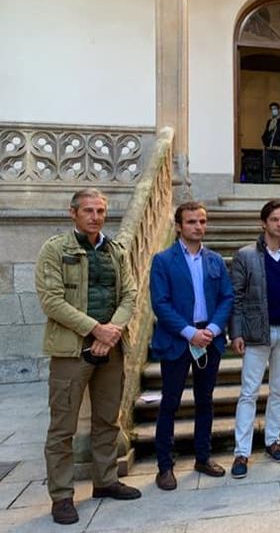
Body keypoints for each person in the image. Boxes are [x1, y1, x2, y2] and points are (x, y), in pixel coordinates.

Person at [35, 188, 141, 525]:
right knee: (62, 428)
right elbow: (51, 301)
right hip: (71, 350)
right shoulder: (55, 250)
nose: (96, 216)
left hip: (110, 347)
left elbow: (130, 293)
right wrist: (96, 329)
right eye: (89, 211)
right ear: (73, 213)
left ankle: (105, 480)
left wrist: (112, 332)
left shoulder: (116, 250)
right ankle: (62, 495)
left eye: (101, 210)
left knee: (107, 420)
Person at [150, 202, 235, 490]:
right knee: (170, 402)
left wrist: (211, 329)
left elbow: (227, 297)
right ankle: (164, 466)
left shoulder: (215, 260)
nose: (198, 227)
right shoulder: (163, 260)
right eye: (191, 222)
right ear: (178, 226)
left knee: (205, 401)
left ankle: (203, 456)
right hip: (177, 340)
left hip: (209, 340)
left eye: (202, 221)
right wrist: (189, 332)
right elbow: (160, 304)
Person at [229, 200, 280, 477]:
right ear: (263, 223)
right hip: (256, 333)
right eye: (275, 219)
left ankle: (272, 440)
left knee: (278, 390)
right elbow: (236, 297)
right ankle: (242, 452)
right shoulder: (246, 255)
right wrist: (236, 331)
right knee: (249, 392)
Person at [261, 101, 280, 183]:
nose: (273, 111)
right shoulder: (269, 121)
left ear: (278, 110)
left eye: (275, 109)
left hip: (279, 148)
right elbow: (265, 133)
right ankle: (267, 181)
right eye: (272, 109)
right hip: (269, 148)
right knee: (267, 166)